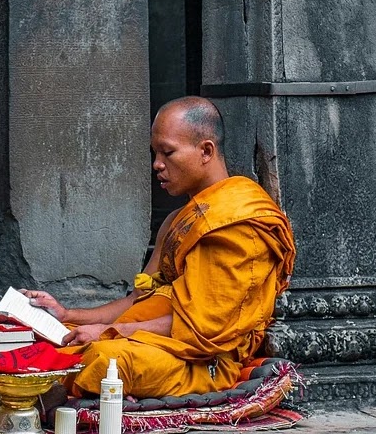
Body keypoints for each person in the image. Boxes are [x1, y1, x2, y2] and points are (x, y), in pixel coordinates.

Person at [22, 96, 295, 399]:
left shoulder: (237, 221)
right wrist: (66, 313)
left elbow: (204, 329)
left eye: (168, 152)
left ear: (206, 151)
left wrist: (109, 332)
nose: (157, 164)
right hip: (151, 338)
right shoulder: (179, 220)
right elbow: (138, 299)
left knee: (102, 361)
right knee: (49, 339)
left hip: (200, 360)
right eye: (155, 153)